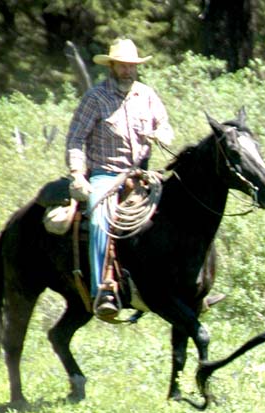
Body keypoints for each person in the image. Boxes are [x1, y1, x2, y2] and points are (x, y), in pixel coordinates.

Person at [65, 38, 174, 319]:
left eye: (131, 66)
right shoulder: (95, 98)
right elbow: (76, 139)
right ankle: (103, 289)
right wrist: (78, 174)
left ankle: (183, 285)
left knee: (179, 212)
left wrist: (160, 135)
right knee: (101, 219)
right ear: (111, 66)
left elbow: (165, 127)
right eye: (122, 66)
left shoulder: (147, 95)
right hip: (107, 174)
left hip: (143, 174)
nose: (127, 71)